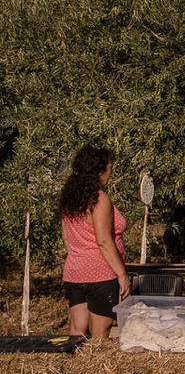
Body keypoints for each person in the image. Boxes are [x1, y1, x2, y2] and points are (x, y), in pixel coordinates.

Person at [59, 145, 131, 339]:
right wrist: (122, 274)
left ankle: (71, 368)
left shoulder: (70, 199)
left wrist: (80, 257)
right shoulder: (99, 200)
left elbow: (66, 237)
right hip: (100, 275)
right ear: (99, 172)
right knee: (99, 336)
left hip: (75, 272)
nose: (110, 174)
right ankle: (92, 370)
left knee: (77, 332)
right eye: (109, 169)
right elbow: (104, 241)